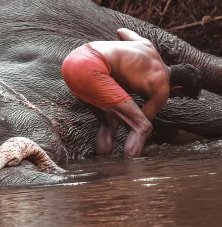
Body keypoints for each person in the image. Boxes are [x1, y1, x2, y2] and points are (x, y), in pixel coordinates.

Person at [61, 28, 201, 158]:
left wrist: (122, 63)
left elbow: (121, 31)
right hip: (91, 68)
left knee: (110, 122)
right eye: (180, 96)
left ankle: (103, 167)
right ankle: (131, 176)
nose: (175, 98)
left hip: (72, 59)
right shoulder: (162, 89)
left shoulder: (147, 45)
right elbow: (137, 125)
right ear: (177, 88)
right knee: (143, 127)